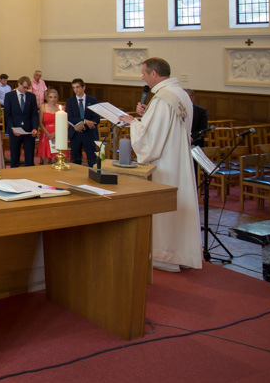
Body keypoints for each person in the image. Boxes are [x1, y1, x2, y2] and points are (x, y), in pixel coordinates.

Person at [119, 57, 202, 272]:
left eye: (144, 73)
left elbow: (151, 140)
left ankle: (165, 255)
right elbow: (168, 126)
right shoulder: (180, 94)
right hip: (178, 158)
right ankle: (180, 252)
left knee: (164, 206)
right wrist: (146, 115)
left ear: (154, 74)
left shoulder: (162, 98)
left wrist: (132, 122)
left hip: (165, 161)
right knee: (178, 203)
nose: (142, 77)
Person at [3, 76, 38, 167]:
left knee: (29, 159)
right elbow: (7, 115)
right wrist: (12, 128)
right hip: (15, 130)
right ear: (19, 84)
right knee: (14, 158)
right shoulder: (9, 96)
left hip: (28, 131)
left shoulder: (31, 97)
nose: (26, 90)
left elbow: (34, 114)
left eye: (28, 88)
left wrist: (35, 128)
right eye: (24, 87)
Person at [66, 78, 100, 166]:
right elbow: (69, 117)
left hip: (89, 133)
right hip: (75, 134)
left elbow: (96, 118)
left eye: (77, 87)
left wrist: (85, 126)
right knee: (76, 159)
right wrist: (84, 121)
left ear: (84, 87)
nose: (76, 90)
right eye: (74, 88)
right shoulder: (70, 101)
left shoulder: (92, 100)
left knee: (92, 159)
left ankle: (93, 173)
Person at [36, 88, 60, 163]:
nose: (53, 99)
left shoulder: (61, 108)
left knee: (58, 158)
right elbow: (40, 123)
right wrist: (47, 134)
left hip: (58, 133)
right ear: (47, 98)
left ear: (57, 98)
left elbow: (64, 123)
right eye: (51, 97)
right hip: (46, 134)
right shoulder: (43, 107)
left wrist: (55, 133)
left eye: (55, 97)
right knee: (46, 159)